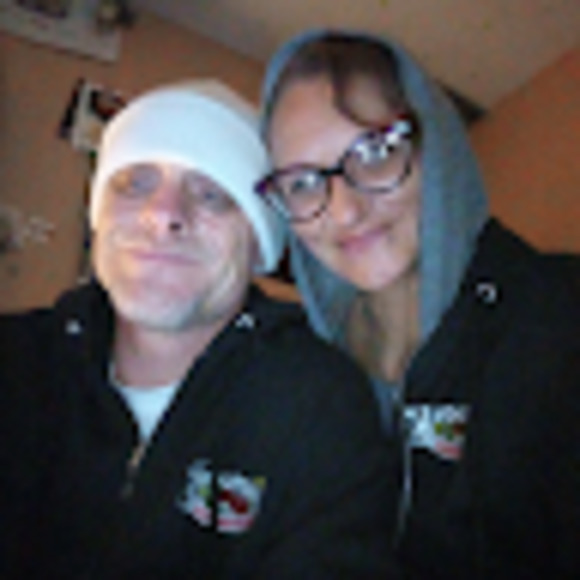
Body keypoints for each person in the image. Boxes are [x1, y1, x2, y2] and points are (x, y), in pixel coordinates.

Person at [0, 80, 401, 578]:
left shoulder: (321, 406)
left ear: (258, 245)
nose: (163, 215)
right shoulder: (14, 363)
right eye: (135, 183)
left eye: (212, 195)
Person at [256, 30, 580, 579]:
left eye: (374, 153)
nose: (345, 210)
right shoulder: (304, 369)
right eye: (304, 182)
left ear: (437, 145)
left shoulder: (557, 318)